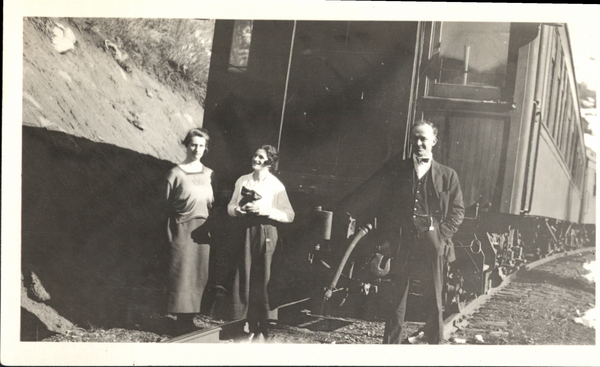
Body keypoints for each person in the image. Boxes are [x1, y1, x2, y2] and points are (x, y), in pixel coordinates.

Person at [346, 120, 464, 344]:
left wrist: (441, 235)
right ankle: (391, 347)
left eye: (423, 139)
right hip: (401, 243)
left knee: (434, 298)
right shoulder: (397, 170)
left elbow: (458, 211)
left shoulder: (448, 175)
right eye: (415, 139)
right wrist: (388, 238)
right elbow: (385, 207)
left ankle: (434, 345)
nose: (418, 143)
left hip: (432, 244)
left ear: (434, 142)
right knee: (396, 298)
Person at [227, 145, 295, 342]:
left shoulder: (276, 186)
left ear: (269, 162)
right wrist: (235, 211)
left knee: (262, 279)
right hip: (244, 231)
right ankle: (241, 326)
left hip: (266, 232)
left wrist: (266, 211)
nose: (255, 159)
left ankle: (261, 330)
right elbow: (231, 204)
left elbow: (289, 215)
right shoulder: (242, 180)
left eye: (260, 157)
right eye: (255, 155)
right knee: (243, 277)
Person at [164, 128, 214, 332]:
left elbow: (212, 204)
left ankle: (190, 319)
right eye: (193, 144)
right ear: (186, 145)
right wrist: (170, 232)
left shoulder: (210, 174)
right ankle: (177, 321)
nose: (197, 149)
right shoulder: (174, 173)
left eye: (201, 145)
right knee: (181, 273)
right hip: (181, 228)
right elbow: (164, 206)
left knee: (198, 274)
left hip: (202, 232)